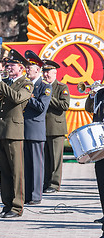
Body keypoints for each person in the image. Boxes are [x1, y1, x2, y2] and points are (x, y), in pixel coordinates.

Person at [0, 49, 33, 218]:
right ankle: (6, 204)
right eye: (8, 65)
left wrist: (0, 83)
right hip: (0, 130)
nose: (9, 68)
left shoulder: (26, 83)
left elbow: (17, 98)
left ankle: (17, 206)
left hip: (14, 131)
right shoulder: (5, 81)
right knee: (3, 170)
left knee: (16, 171)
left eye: (12, 65)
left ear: (21, 68)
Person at [23, 50, 51, 205]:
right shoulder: (26, 85)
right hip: (23, 129)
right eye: (27, 67)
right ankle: (27, 194)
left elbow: (41, 107)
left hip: (35, 130)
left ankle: (35, 195)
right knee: (26, 165)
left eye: (30, 67)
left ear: (38, 69)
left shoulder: (44, 87)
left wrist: (27, 96)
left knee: (36, 165)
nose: (27, 70)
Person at [43, 60, 70, 193]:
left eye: (48, 72)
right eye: (44, 72)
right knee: (45, 158)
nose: (45, 75)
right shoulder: (41, 86)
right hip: (42, 127)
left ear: (55, 72)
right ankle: (45, 182)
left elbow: (64, 106)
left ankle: (54, 184)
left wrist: (48, 96)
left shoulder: (61, 87)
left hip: (56, 128)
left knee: (55, 159)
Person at [85, 80, 104, 238]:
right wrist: (92, 95)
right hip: (101, 148)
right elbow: (89, 109)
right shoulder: (101, 93)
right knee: (102, 187)